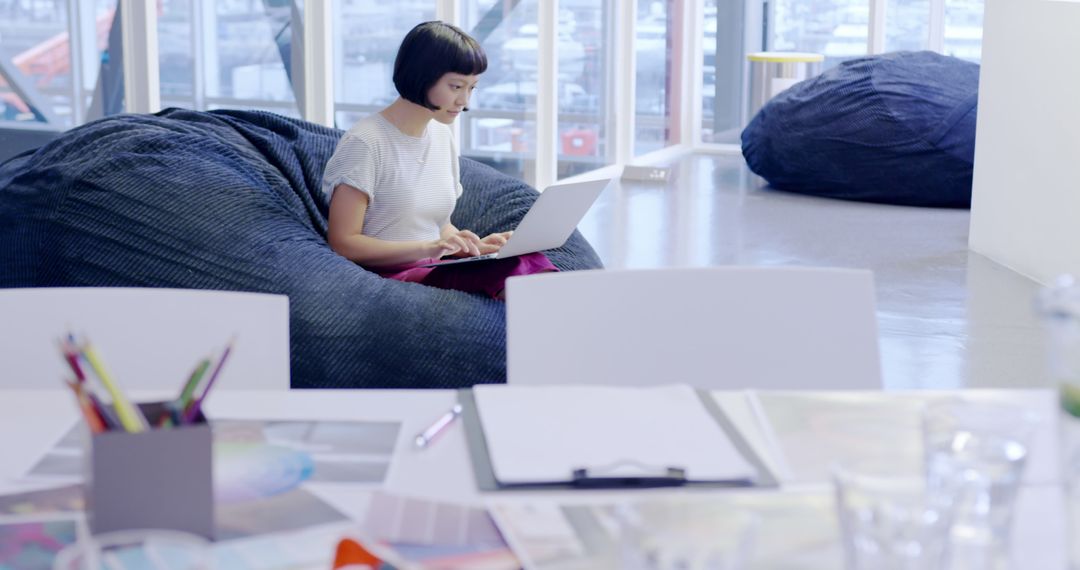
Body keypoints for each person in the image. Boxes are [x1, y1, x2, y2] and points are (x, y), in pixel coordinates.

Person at [322, 21, 557, 300]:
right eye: (456, 86)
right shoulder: (366, 143)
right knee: (517, 271)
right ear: (422, 75)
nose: (464, 101)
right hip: (390, 276)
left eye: (472, 88)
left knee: (528, 259)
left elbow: (439, 226)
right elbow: (344, 243)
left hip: (434, 265)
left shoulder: (441, 136)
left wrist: (473, 247)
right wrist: (428, 248)